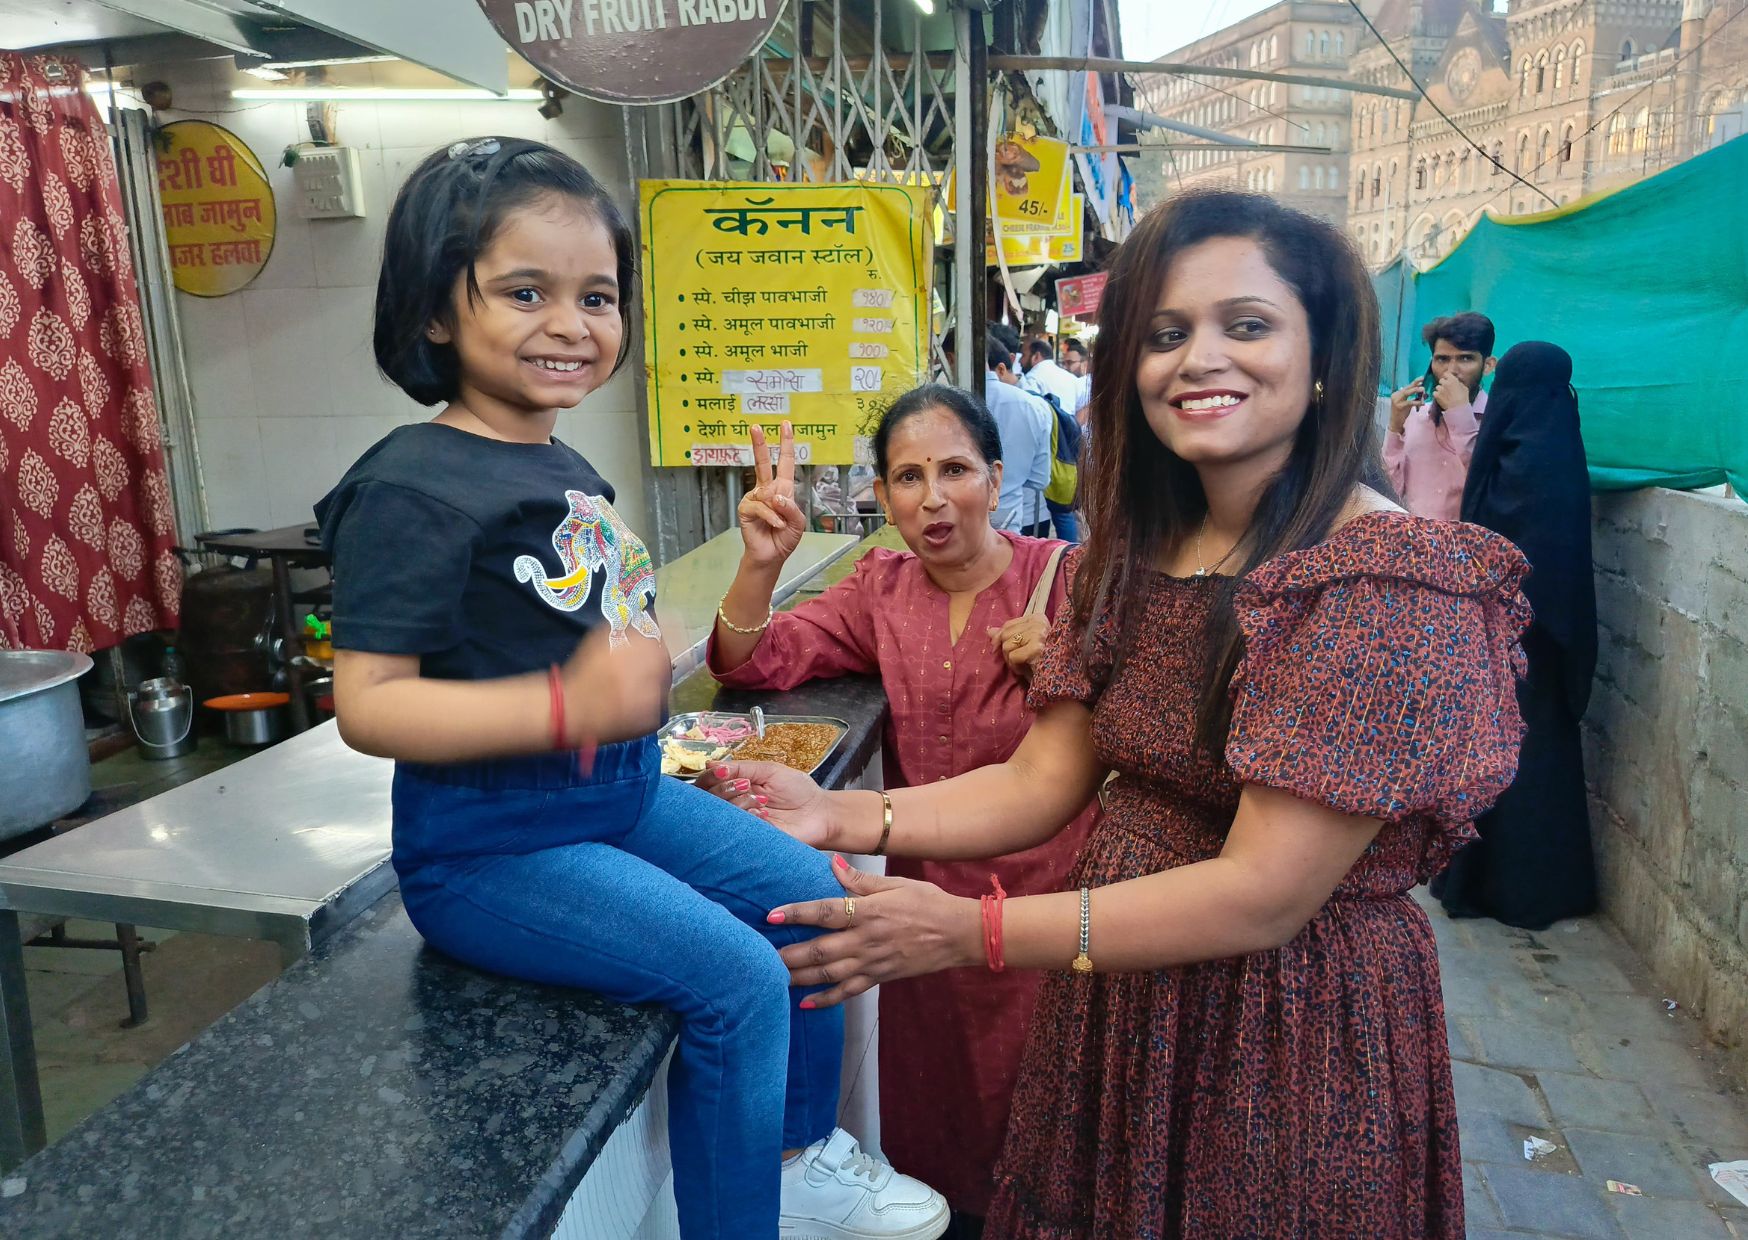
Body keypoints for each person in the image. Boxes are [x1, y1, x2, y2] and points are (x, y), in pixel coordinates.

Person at [704, 189, 1530, 1237]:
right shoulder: (1130, 558)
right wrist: (841, 815)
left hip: (1281, 1025)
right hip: (1122, 998)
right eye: (1164, 334)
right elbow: (1040, 778)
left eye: (1246, 325)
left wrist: (972, 930)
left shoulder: (1380, 580)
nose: (1198, 360)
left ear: (1324, 355)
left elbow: (1260, 896)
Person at [315, 137, 947, 1240]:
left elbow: (622, 651)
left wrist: (744, 575)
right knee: (739, 977)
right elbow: (369, 705)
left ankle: (795, 1159)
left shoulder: (567, 470)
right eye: (526, 292)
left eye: (597, 297)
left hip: (621, 798)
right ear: (434, 310)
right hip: (491, 850)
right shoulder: (410, 487)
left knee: (820, 895)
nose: (570, 323)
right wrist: (568, 707)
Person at [709, 393, 1098, 1235]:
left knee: (1048, 1129)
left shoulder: (1068, 582)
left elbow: (1136, 726)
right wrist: (761, 564)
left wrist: (1069, 665)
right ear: (883, 496)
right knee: (938, 1126)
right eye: (909, 477)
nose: (933, 498)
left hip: (1043, 907)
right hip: (919, 911)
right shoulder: (881, 589)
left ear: (996, 479)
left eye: (955, 470)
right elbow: (754, 663)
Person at [1435, 342, 1599, 929]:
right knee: (1538, 759)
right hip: (1544, 641)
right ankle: (1536, 890)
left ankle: (1483, 884)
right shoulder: (1561, 450)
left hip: (1504, 635)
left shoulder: (1508, 460)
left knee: (1498, 753)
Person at [1383, 311, 1496, 519]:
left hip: (1466, 539)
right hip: (1412, 536)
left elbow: (1491, 491)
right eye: (1442, 359)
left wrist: (1459, 414)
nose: (1451, 371)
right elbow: (1388, 493)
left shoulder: (1497, 422)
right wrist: (1394, 428)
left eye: (1465, 358)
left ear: (1488, 365)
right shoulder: (1416, 417)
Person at [972, 332, 1053, 536]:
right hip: (1016, 519)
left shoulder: (947, 406)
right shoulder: (1034, 405)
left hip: (962, 525)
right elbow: (1040, 479)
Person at [1021, 336, 1084, 418]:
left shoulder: (1032, 379)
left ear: (1036, 356)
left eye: (1023, 355)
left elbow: (1028, 414)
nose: (1020, 360)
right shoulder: (1072, 379)